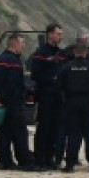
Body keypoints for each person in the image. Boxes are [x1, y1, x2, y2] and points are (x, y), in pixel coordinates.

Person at [0, 33, 33, 170]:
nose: (23, 46)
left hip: (3, 102)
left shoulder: (0, 60)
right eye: (22, 43)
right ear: (14, 43)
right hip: (12, 103)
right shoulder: (13, 62)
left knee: (4, 133)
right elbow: (14, 84)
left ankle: (5, 160)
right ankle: (24, 161)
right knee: (20, 133)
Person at [59, 40, 89, 173]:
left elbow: (59, 85)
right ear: (86, 52)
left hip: (71, 102)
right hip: (88, 102)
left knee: (73, 135)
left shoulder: (67, 67)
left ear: (73, 52)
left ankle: (70, 164)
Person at [29, 23, 67, 168]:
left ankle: (50, 158)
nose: (60, 36)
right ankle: (39, 159)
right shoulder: (41, 52)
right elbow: (35, 74)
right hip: (45, 95)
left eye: (61, 34)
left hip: (58, 96)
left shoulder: (61, 53)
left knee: (55, 128)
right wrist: (52, 79)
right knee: (44, 127)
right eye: (58, 34)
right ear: (50, 34)